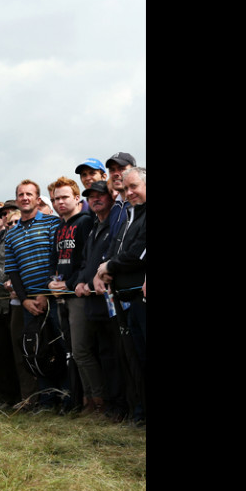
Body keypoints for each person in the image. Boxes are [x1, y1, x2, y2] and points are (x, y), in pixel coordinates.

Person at [3, 181, 62, 411]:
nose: (25, 197)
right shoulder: (11, 234)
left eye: (29, 194)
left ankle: (66, 399)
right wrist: (26, 299)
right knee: (38, 351)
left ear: (38, 199)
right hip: (29, 304)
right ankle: (46, 401)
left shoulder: (52, 223)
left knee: (61, 347)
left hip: (54, 298)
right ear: (17, 200)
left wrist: (46, 294)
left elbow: (56, 259)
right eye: (21, 194)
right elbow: (13, 271)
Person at [95, 166, 146, 424]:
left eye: (134, 186)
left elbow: (139, 254)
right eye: (125, 189)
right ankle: (139, 414)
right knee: (133, 360)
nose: (129, 192)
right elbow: (114, 251)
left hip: (141, 299)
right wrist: (102, 270)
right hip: (123, 300)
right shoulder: (127, 216)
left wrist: (110, 266)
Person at [73, 180, 127, 419]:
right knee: (104, 354)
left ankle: (122, 407)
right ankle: (111, 405)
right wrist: (82, 281)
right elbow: (86, 261)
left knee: (118, 355)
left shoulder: (117, 223)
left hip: (113, 301)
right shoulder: (95, 226)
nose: (95, 199)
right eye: (91, 196)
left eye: (100, 195)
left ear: (111, 196)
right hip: (94, 304)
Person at [47, 176, 95, 413]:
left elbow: (88, 260)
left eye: (65, 197)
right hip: (61, 296)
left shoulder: (85, 222)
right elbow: (54, 261)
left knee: (83, 350)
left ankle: (97, 402)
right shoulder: (59, 227)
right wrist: (53, 282)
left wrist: (70, 283)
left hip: (79, 295)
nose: (60, 202)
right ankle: (83, 400)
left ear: (77, 198)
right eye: (56, 199)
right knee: (72, 352)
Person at [0, 200, 32, 409]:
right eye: (4, 216)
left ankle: (26, 396)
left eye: (11, 215)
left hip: (18, 301)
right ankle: (7, 397)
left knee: (19, 351)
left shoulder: (22, 236)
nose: (7, 219)